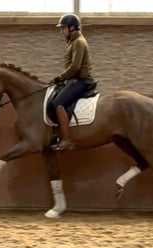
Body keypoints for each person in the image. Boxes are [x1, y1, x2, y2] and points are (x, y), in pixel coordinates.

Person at [50, 13, 95, 151]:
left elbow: (75, 66)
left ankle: (66, 139)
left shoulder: (79, 42)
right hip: (74, 80)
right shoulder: (74, 42)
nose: (61, 32)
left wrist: (61, 77)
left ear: (72, 28)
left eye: (63, 28)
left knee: (58, 104)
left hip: (82, 81)